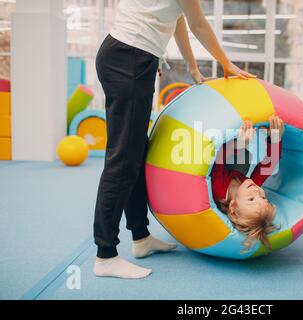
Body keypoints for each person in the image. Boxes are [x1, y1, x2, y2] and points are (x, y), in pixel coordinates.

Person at [93, 0, 256, 279]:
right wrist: (226, 63)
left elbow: (178, 20)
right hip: (130, 59)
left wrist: (193, 67)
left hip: (129, 58)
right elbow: (199, 25)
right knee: (122, 162)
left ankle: (141, 237)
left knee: (135, 154)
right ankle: (105, 255)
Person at [210, 116, 285, 253]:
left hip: (217, 162)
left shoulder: (218, 190)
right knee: (243, 158)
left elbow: (217, 159)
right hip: (232, 168)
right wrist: (274, 140)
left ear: (232, 206)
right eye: (264, 198)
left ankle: (239, 139)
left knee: (242, 156)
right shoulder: (250, 187)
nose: (258, 193)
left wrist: (238, 145)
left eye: (251, 199)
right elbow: (268, 165)